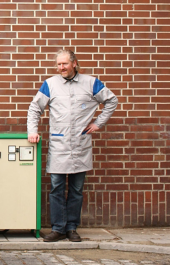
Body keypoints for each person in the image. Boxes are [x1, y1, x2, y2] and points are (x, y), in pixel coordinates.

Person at [27, 49, 118, 242]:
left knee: (76, 190)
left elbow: (111, 100)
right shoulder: (50, 84)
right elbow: (35, 108)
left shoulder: (91, 83)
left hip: (80, 144)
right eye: (58, 64)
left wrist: (97, 123)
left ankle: (72, 228)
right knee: (57, 188)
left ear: (74, 63)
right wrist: (32, 131)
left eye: (64, 64)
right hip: (59, 145)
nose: (61, 68)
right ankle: (58, 228)